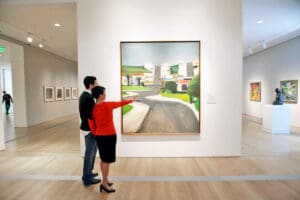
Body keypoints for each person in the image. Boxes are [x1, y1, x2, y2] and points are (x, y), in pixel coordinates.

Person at [88, 86, 137, 193]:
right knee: (106, 161)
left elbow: (91, 123)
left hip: (100, 136)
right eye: (104, 93)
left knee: (103, 159)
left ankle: (105, 180)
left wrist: (96, 133)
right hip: (109, 136)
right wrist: (131, 100)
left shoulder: (93, 108)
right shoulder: (107, 105)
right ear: (100, 95)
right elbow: (120, 103)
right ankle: (104, 184)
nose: (105, 94)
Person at [79, 76, 101, 186]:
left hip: (87, 128)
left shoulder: (86, 96)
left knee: (92, 153)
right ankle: (86, 178)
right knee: (89, 154)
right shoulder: (87, 97)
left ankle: (89, 172)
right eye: (96, 83)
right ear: (91, 85)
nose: (97, 85)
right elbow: (90, 115)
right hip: (89, 129)